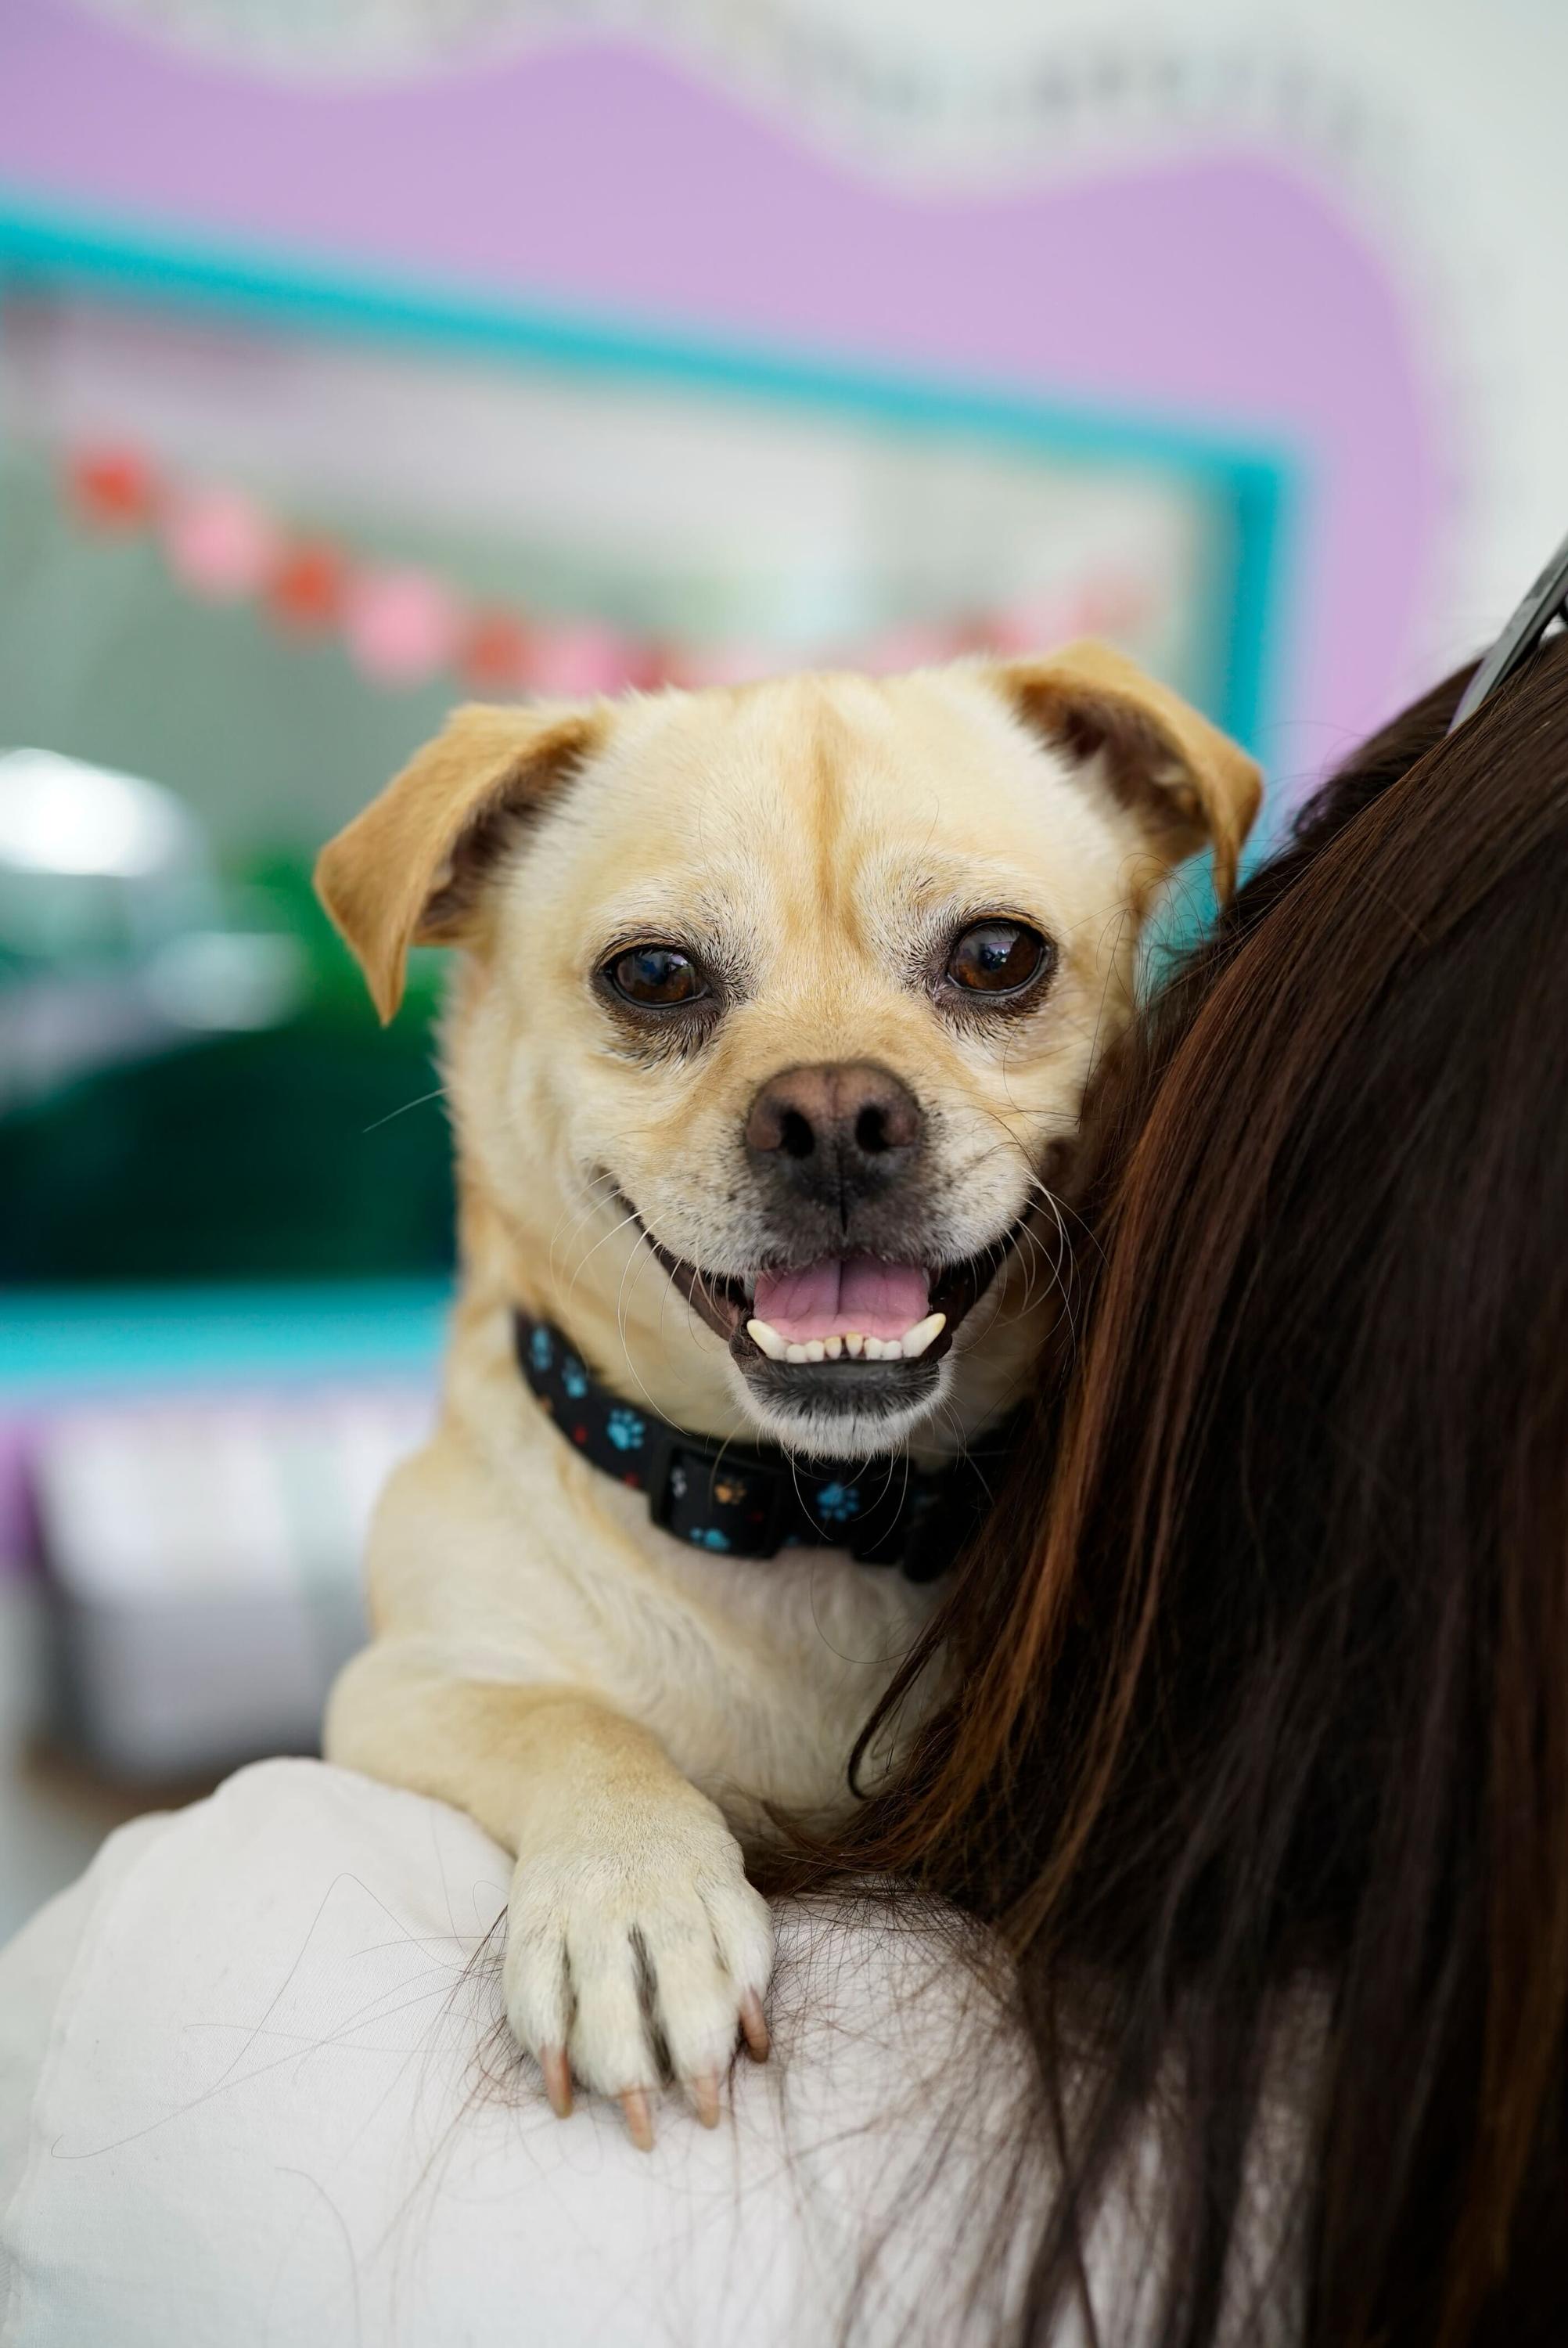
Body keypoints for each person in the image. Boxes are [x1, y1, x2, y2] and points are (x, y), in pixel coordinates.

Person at [4, 628, 1566, 2345]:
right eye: (665, 986)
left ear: (1148, 873)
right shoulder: (239, 1949)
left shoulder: (1233, 1521)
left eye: (988, 963)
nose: (834, 1101)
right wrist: (596, 1797)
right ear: (463, 934)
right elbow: (425, 1691)